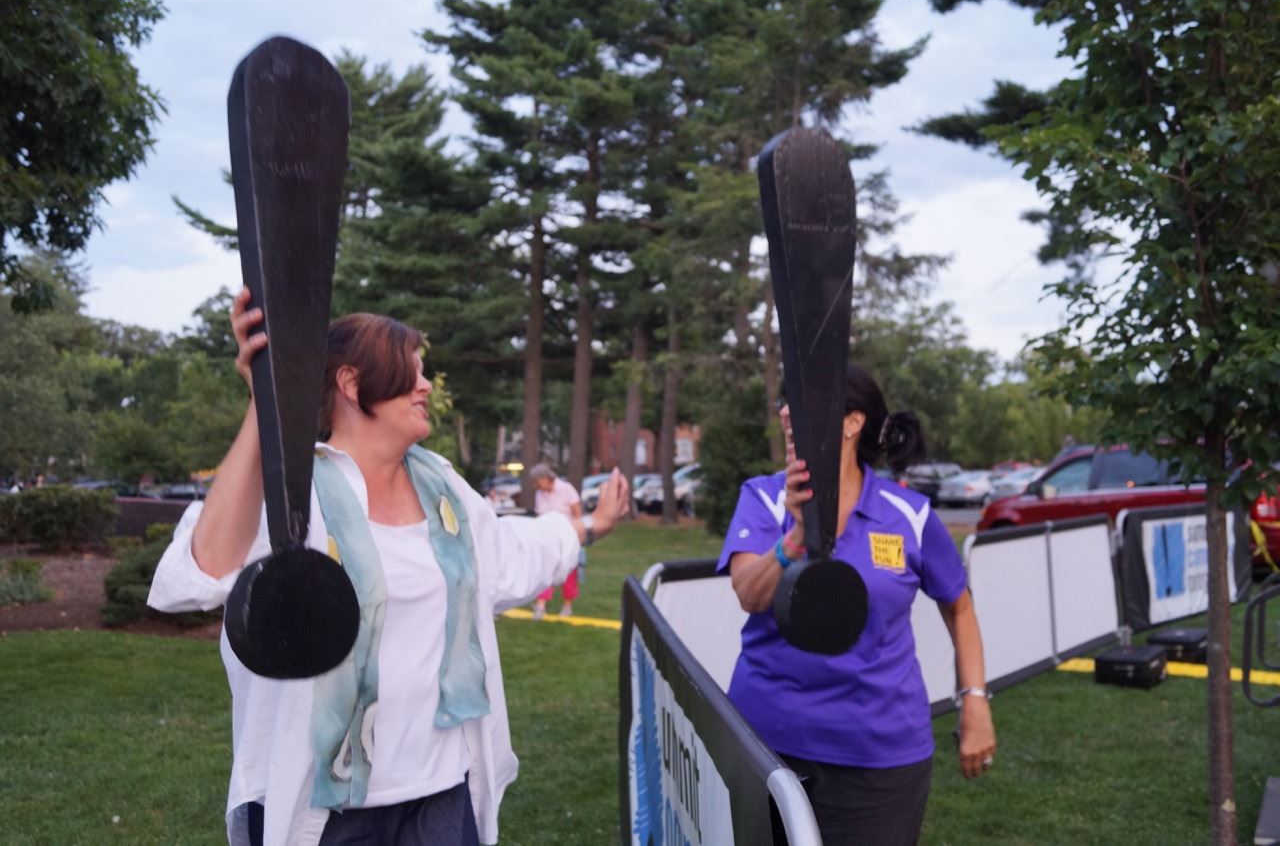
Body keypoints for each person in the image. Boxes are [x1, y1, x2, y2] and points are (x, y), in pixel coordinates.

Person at [147, 289, 630, 846]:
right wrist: (268, 400)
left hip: (441, 794)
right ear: (353, 385)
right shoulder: (296, 496)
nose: (426, 386)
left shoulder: (444, 489)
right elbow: (201, 574)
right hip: (330, 811)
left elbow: (511, 553)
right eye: (413, 373)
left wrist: (589, 526)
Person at [718, 364, 996, 845]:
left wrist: (974, 702)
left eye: (802, 402)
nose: (786, 412)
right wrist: (799, 535)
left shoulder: (908, 514)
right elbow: (749, 594)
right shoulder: (763, 500)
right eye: (786, 401)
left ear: (853, 422)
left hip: (877, 757)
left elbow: (959, 607)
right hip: (766, 746)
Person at [528, 464, 583, 619]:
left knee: (568, 572)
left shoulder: (566, 489)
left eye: (536, 481)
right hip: (548, 537)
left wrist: (577, 536)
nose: (535, 485)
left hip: (568, 537)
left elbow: (577, 514)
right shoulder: (540, 494)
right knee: (545, 570)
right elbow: (540, 517)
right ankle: (540, 606)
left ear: (545, 478)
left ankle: (567, 606)